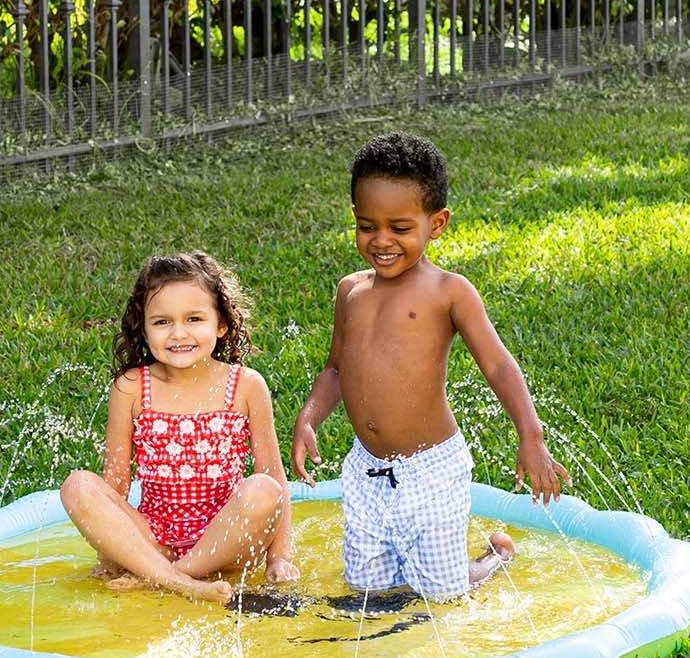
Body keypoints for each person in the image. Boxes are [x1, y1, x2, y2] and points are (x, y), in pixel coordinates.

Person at [291, 132, 568, 601]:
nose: (381, 241)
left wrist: (531, 436)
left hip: (431, 470)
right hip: (367, 469)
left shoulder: (448, 292)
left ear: (436, 224)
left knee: (441, 595)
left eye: (399, 228)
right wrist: (309, 416)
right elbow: (336, 369)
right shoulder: (351, 291)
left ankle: (488, 562)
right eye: (366, 225)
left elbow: (498, 365)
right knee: (367, 593)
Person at [61, 252, 298, 605]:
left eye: (194, 319)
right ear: (143, 327)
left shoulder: (246, 385)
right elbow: (115, 483)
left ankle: (169, 577)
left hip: (225, 546)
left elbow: (273, 475)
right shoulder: (131, 387)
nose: (178, 334)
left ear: (221, 324)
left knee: (263, 490)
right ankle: (179, 580)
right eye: (161, 322)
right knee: (77, 485)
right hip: (154, 541)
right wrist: (111, 554)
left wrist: (279, 558)